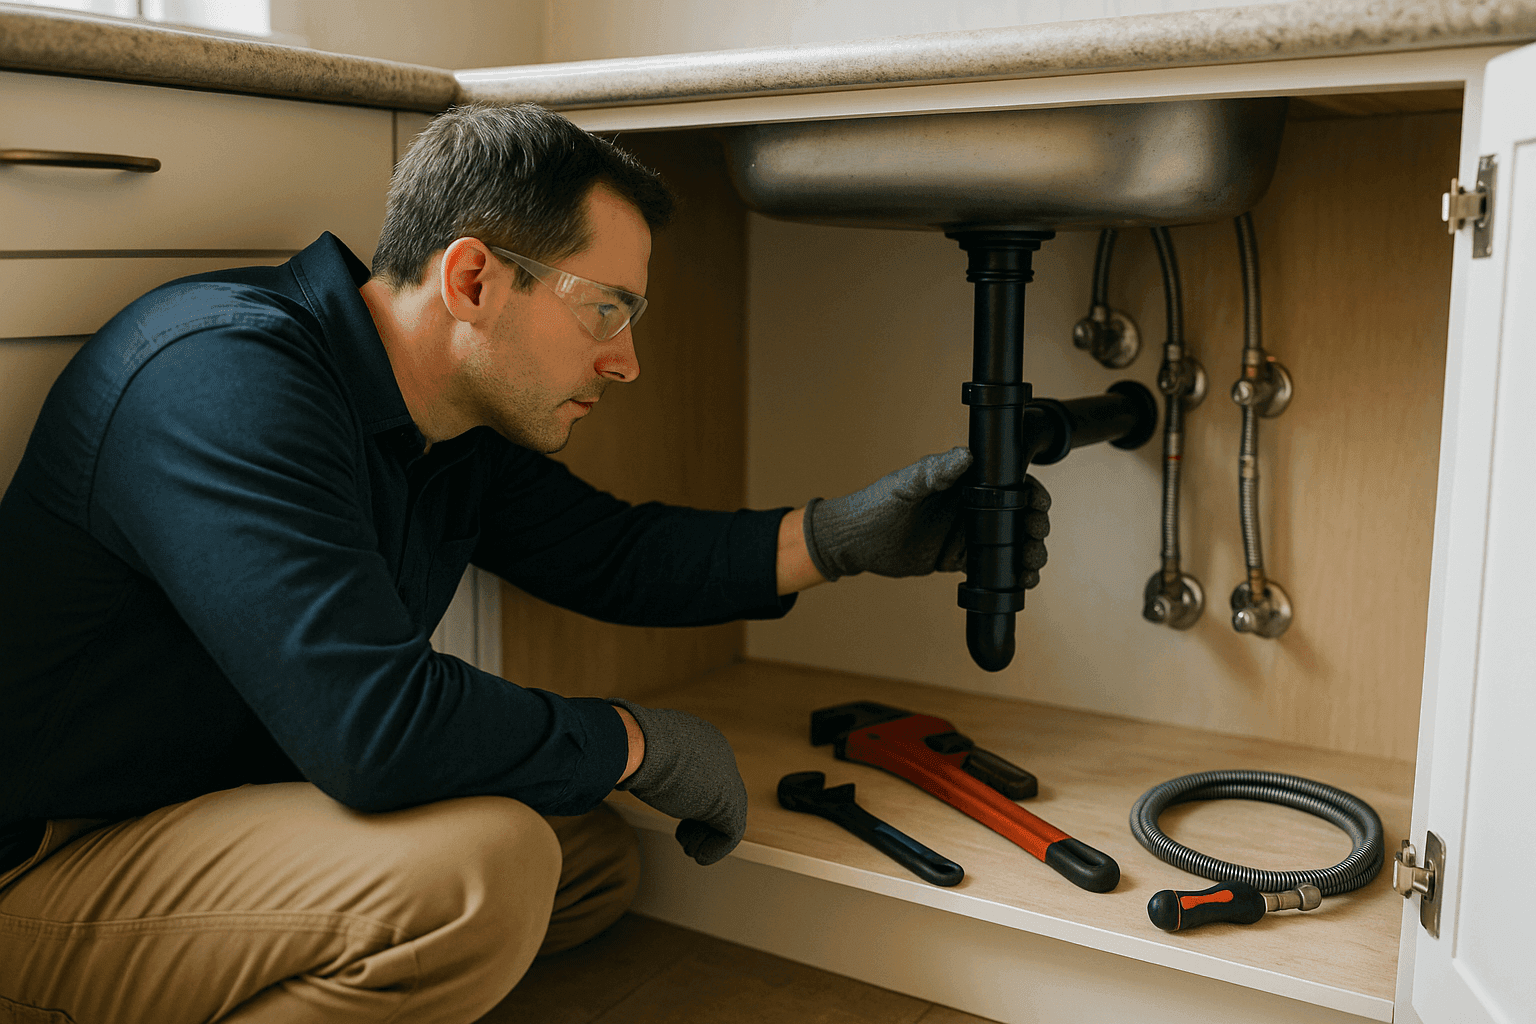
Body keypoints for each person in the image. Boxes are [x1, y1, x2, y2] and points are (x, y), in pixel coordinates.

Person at [0, 103, 1050, 1024]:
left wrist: (842, 536)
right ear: (473, 278)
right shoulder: (222, 379)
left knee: (586, 864)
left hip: (214, 805)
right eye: (607, 309)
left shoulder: (438, 418)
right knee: (486, 875)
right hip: (53, 855)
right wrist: (632, 739)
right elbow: (373, 729)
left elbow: (614, 553)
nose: (625, 360)